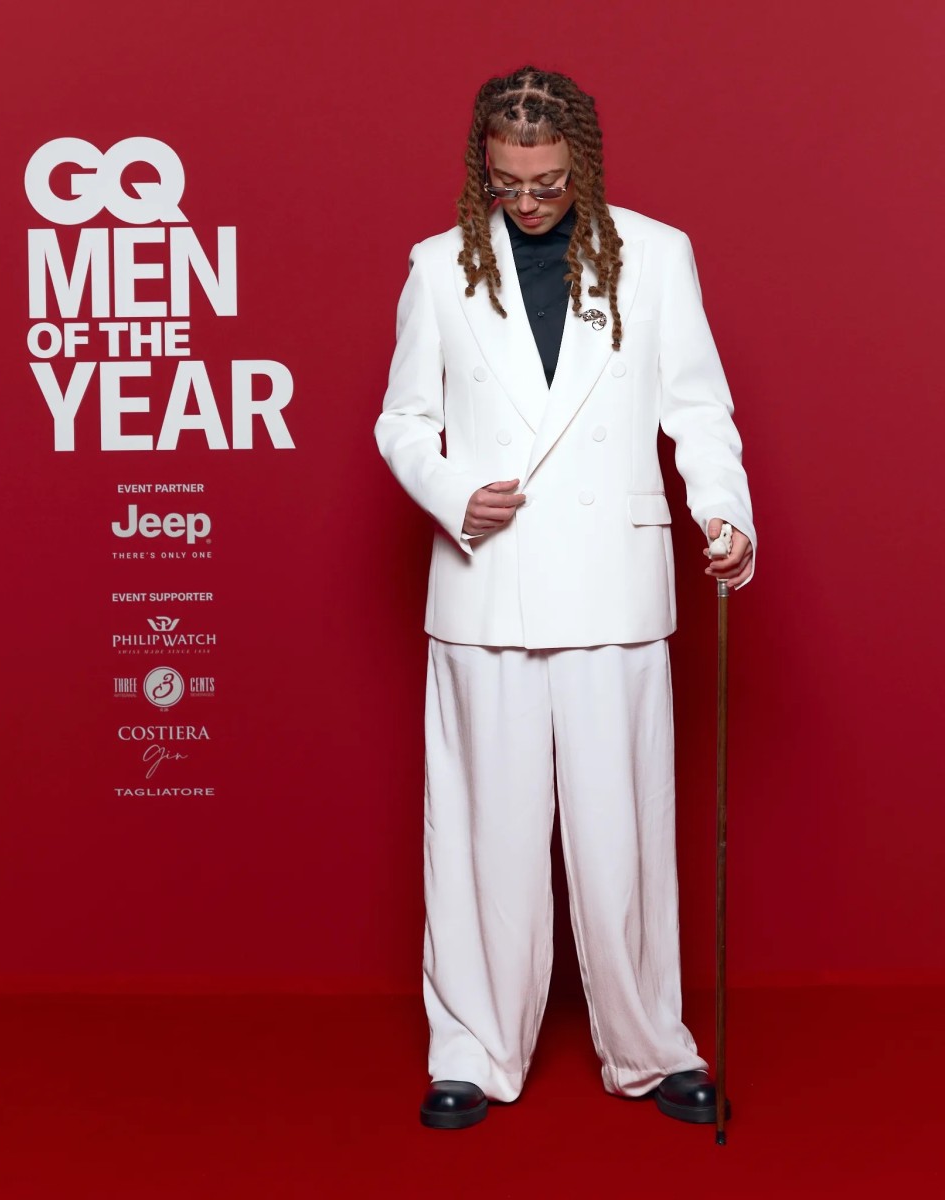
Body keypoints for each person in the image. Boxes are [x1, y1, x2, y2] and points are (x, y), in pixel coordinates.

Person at [374, 65, 755, 1130]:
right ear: (482, 170)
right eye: (508, 184)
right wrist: (454, 491)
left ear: (581, 163)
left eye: (547, 183)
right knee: (482, 836)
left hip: (614, 582)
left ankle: (650, 1048)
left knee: (623, 833)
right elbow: (402, 421)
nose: (529, 201)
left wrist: (723, 514)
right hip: (486, 582)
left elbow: (699, 409)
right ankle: (474, 1049)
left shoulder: (658, 255)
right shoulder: (438, 267)